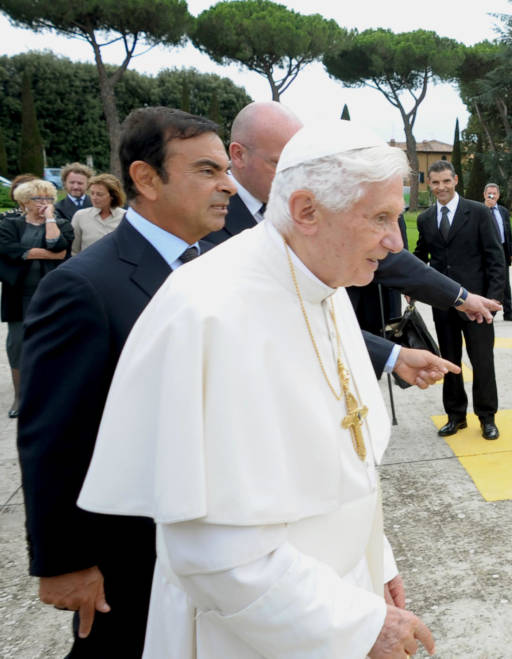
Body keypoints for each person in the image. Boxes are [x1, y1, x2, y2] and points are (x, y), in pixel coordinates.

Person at [77, 119, 440, 658]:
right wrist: (354, 625)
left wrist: (375, 562)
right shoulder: (210, 312)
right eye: (381, 218)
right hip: (259, 630)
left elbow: (348, 462)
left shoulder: (324, 281)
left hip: (339, 595)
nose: (394, 240)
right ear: (306, 211)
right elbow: (215, 554)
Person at [16, 107, 226, 657]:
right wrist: (65, 563)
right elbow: (55, 436)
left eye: (224, 169)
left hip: (209, 540)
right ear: (146, 178)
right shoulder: (84, 287)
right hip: (131, 554)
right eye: (207, 170)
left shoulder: (215, 268)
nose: (227, 184)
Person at [207, 101, 500, 377]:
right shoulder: (204, 221)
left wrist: (458, 299)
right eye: (282, 163)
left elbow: (328, 319)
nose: (297, 176)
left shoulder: (315, 222)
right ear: (238, 154)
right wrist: (392, 355)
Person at [415, 160, 508, 440]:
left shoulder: (478, 212)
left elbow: (495, 257)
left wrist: (493, 299)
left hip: (477, 305)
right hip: (443, 305)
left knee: (482, 362)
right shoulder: (425, 219)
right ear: (429, 184)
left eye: (446, 181)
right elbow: (421, 256)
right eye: (435, 182)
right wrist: (405, 280)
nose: (441, 187)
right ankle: (456, 416)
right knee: (449, 361)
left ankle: (487, 417)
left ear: (455, 180)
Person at [0, 178, 73, 417]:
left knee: (54, 341)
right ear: (24, 202)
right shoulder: (9, 224)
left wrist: (50, 218)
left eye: (49, 198)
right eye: (39, 199)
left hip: (51, 293)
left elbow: (60, 247)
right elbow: (7, 250)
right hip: (19, 294)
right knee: (18, 344)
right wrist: (44, 254)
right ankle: (20, 398)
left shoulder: (61, 223)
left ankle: (54, 394)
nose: (45, 203)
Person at [483, 182, 512, 321]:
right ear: (484, 195)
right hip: (485, 252)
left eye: (494, 193)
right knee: (487, 281)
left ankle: (508, 312)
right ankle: (488, 311)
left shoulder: (503, 211)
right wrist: (487, 207)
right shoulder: (480, 209)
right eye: (489, 193)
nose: (491, 195)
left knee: (505, 282)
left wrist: (511, 252)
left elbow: (508, 233)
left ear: (498, 195)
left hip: (502, 250)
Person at [70, 174, 127, 253]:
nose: (94, 197)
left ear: (112, 196)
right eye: (92, 193)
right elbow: (74, 250)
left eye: (99, 194)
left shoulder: (126, 217)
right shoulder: (80, 216)